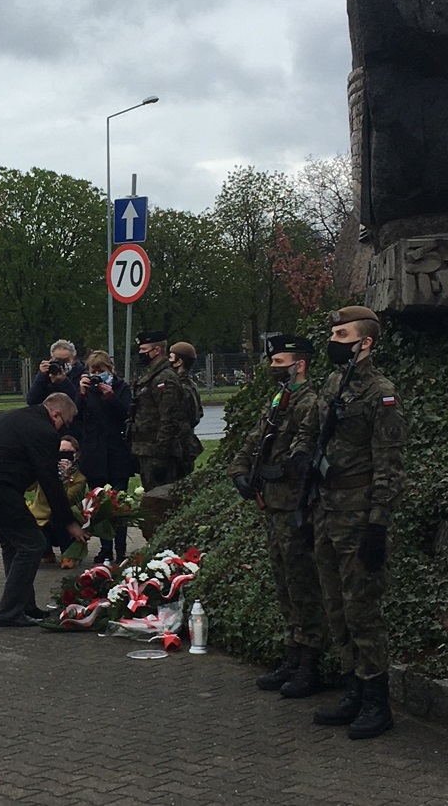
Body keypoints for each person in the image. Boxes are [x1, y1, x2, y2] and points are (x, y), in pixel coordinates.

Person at [289, 306, 406, 739]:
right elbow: (310, 427)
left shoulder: (381, 393)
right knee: (336, 607)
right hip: (325, 508)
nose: (333, 340)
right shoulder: (333, 383)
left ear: (365, 343)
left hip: (358, 515)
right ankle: (353, 687)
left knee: (362, 611)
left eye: (342, 334)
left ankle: (377, 700)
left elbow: (390, 464)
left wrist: (378, 524)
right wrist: (302, 454)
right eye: (333, 332)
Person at [227, 335, 328, 699]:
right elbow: (253, 442)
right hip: (273, 507)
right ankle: (293, 652)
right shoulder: (278, 401)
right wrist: (240, 473)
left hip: (295, 508)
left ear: (299, 364)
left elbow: (304, 448)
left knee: (302, 585)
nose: (273, 367)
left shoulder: (309, 403)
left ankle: (309, 662)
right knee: (284, 584)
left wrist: (277, 471)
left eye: (279, 362)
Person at [0, 394, 90, 627]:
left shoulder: (15, 416)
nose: (66, 427)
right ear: (56, 414)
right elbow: (49, 481)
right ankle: (10, 612)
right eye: (67, 421)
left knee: (15, 545)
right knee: (32, 544)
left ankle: (24, 606)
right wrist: (69, 523)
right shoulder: (43, 431)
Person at [127, 330, 193, 537]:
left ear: (157, 350)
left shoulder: (165, 378)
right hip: (146, 450)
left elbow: (169, 420)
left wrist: (161, 456)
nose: (140, 353)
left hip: (158, 453)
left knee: (160, 507)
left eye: (144, 349)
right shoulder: (152, 375)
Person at [73, 349, 133, 564]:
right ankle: (105, 549)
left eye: (102, 370)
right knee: (99, 507)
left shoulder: (121, 388)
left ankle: (121, 550)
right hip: (94, 456)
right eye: (94, 371)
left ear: (110, 369)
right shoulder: (85, 391)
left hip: (117, 455)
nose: (98, 375)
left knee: (119, 506)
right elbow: (74, 417)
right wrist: (80, 393)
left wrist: (111, 398)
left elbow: (127, 414)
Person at [30, 435, 87, 568]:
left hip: (65, 522)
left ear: (77, 455)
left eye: (69, 453)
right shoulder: (45, 471)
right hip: (41, 519)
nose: (64, 456)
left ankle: (68, 554)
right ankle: (46, 552)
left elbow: (65, 501)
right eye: (60, 452)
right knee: (37, 538)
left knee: (58, 516)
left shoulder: (79, 479)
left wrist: (65, 478)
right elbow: (28, 487)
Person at [169, 341, 206, 478]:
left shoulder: (182, 387)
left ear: (179, 362)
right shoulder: (188, 385)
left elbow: (192, 416)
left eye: (170, 357)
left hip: (181, 448)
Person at [26, 339, 86, 420]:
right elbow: (31, 400)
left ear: (73, 359)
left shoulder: (82, 373)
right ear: (51, 359)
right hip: (49, 420)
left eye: (66, 360)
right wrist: (41, 376)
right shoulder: (47, 374)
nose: (62, 364)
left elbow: (78, 402)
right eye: (58, 360)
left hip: (73, 421)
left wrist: (64, 382)